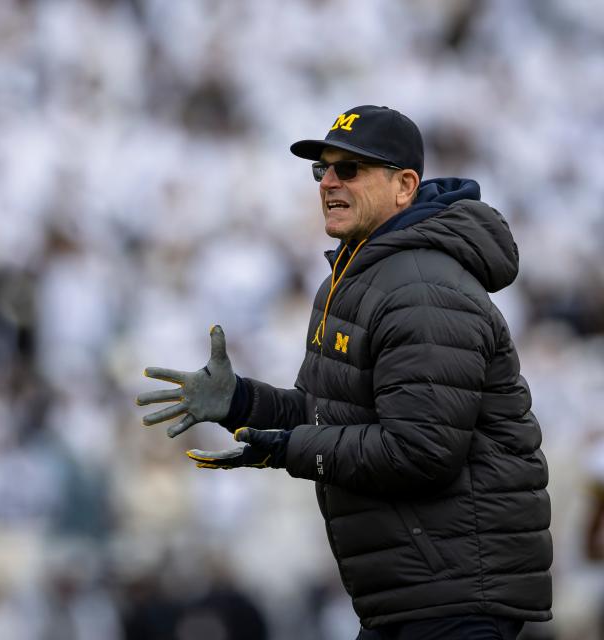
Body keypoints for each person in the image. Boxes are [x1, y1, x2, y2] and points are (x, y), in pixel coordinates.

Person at [136, 105, 552, 639]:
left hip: (452, 590)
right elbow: (325, 413)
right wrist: (241, 402)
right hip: (419, 587)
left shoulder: (421, 287)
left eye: (349, 169)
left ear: (405, 186)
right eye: (321, 170)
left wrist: (290, 449)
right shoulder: (361, 275)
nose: (328, 181)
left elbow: (420, 451)